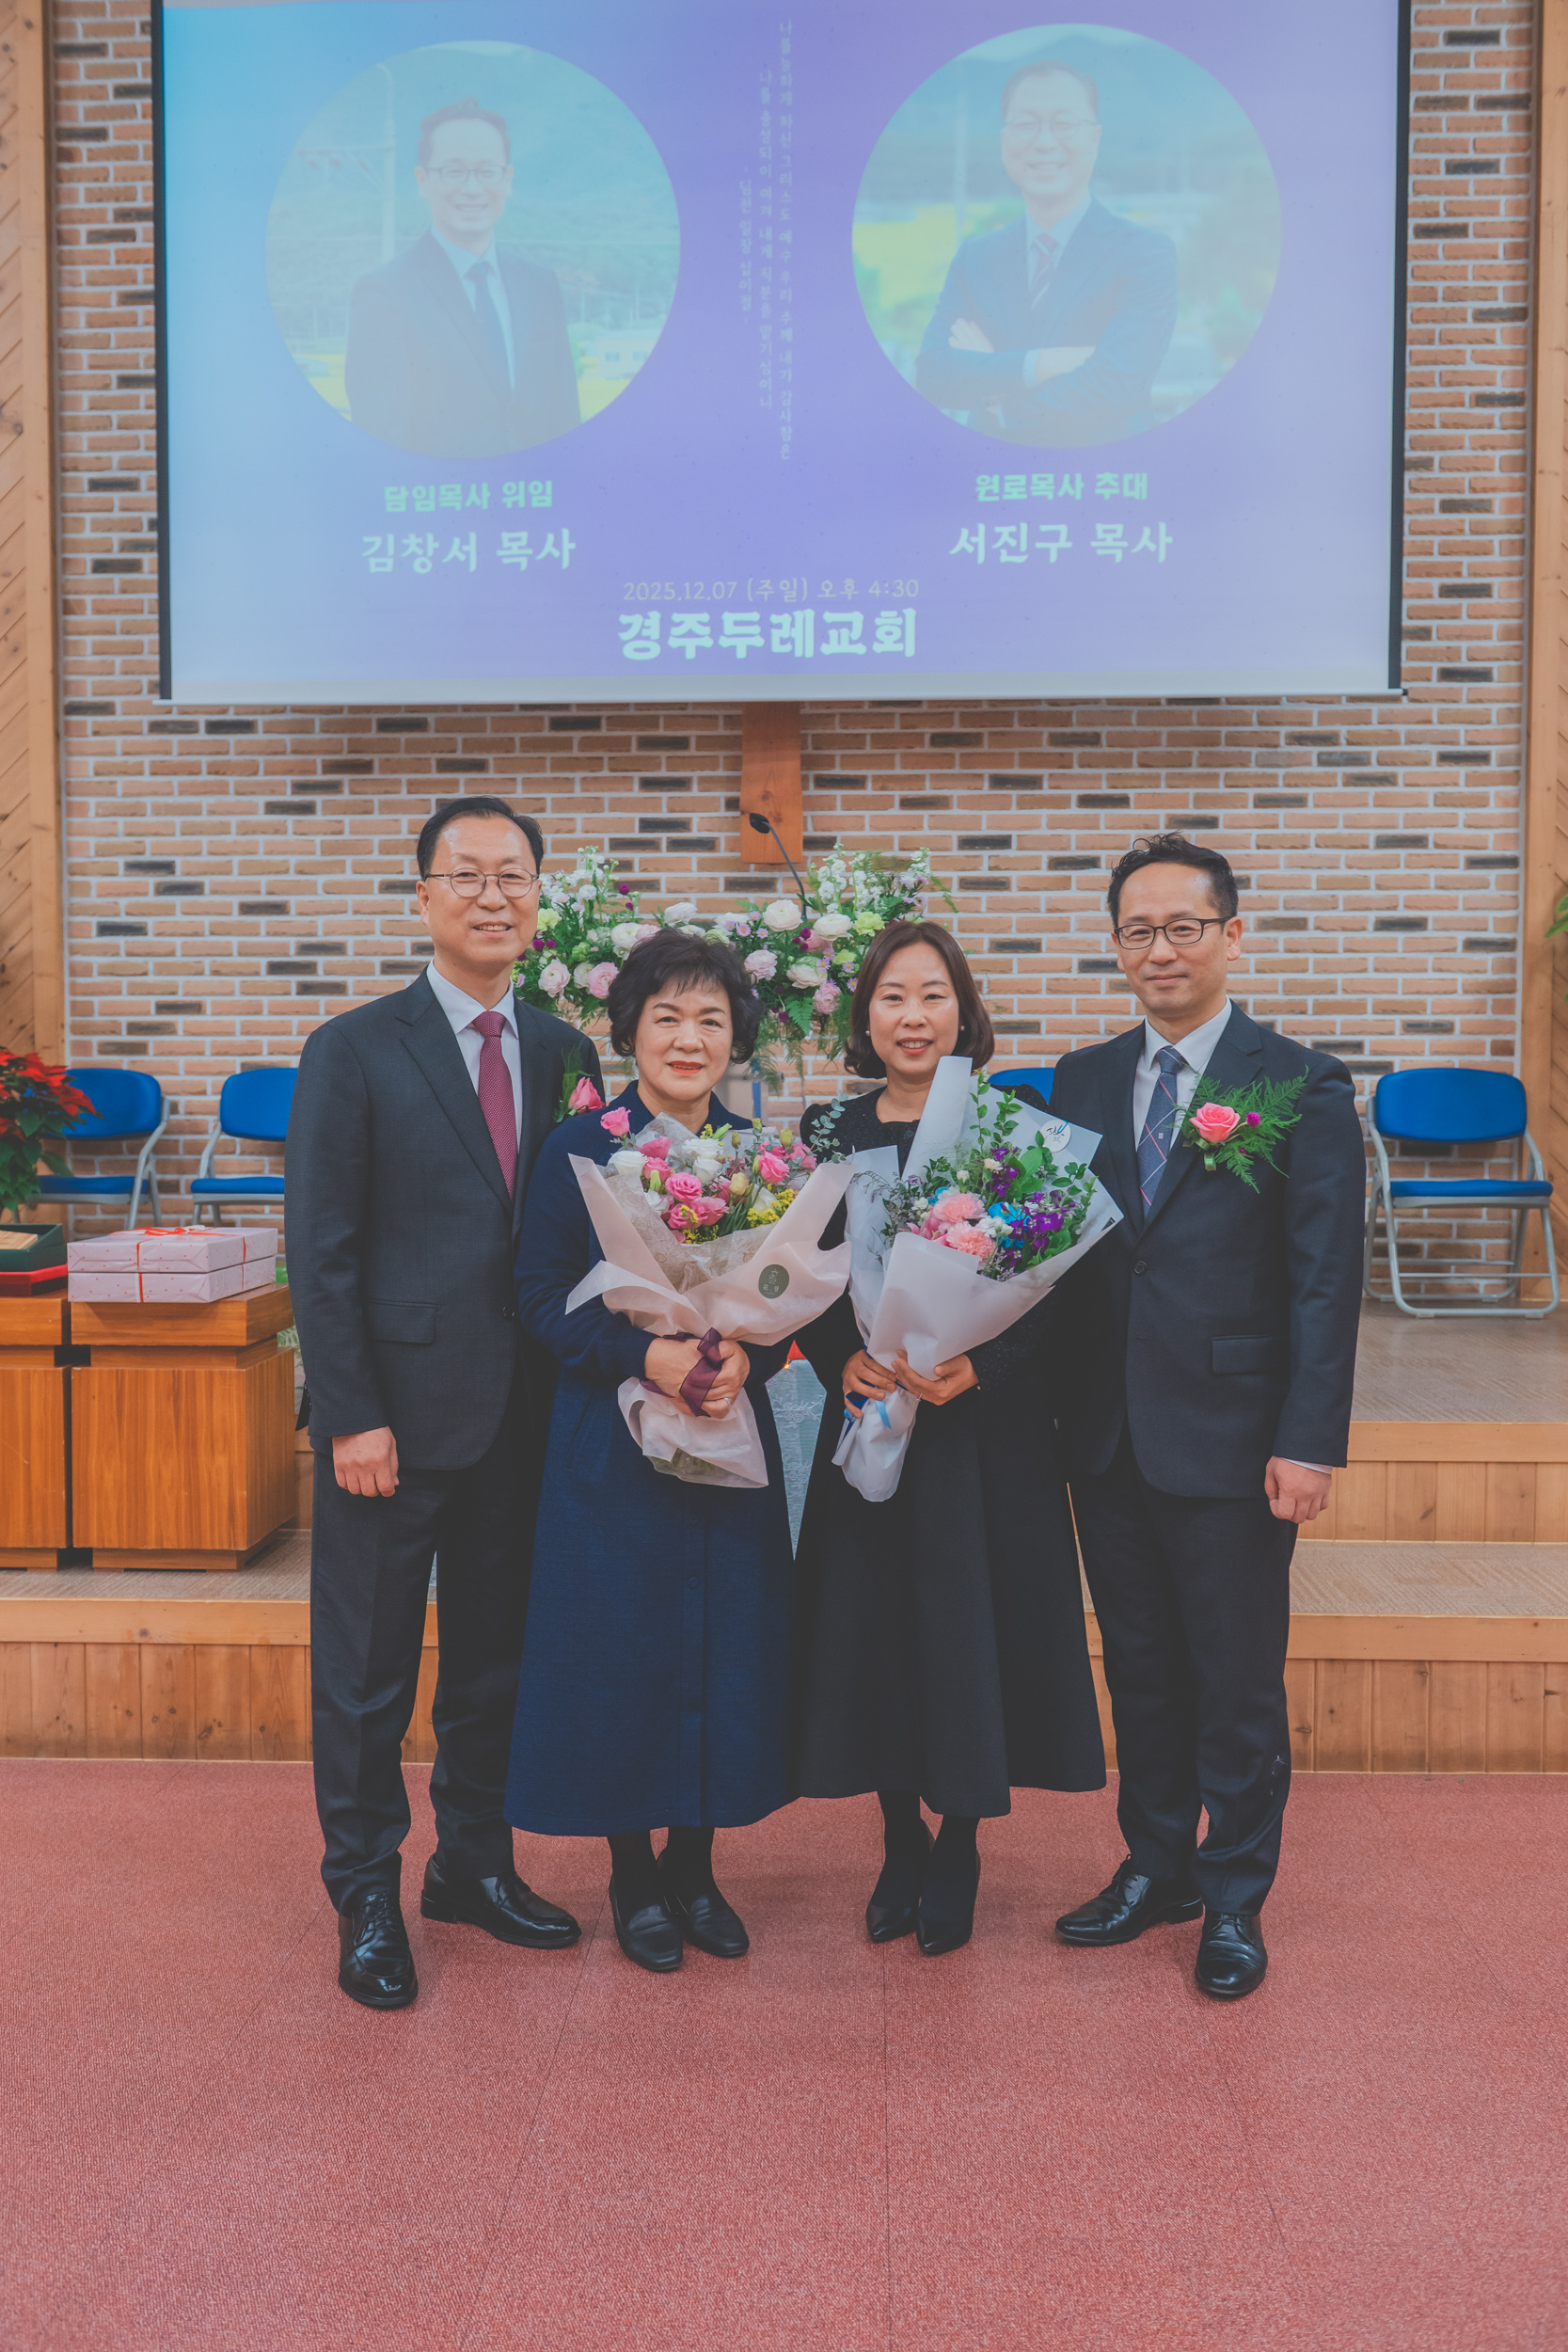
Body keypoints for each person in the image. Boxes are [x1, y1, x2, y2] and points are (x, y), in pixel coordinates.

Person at [285, 794, 599, 2010]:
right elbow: (321, 1251)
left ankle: (472, 1862)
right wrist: (349, 1412)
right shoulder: (355, 1050)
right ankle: (365, 1888)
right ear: (423, 896)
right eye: (465, 875)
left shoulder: (566, 1052)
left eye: (512, 875)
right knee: (365, 1672)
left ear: (538, 898)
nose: (491, 896)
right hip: (393, 1423)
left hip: (524, 1416)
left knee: (492, 1660)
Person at [1048, 835, 1365, 2000]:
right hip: (1105, 1432)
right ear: (1115, 945)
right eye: (1137, 931)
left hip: (1233, 1436)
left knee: (1232, 1679)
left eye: (1182, 927)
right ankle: (1155, 1866)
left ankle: (1233, 1896)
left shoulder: (1298, 1083)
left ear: (1230, 934)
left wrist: (1308, 1438)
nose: (1160, 950)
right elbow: (1060, 1259)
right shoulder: (1080, 1081)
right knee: (1137, 1666)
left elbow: (1325, 1280)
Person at [792, 922, 1106, 1958]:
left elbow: (1059, 1284)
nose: (912, 1016)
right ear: (864, 1017)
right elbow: (796, 1267)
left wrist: (986, 1363)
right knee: (875, 1624)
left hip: (981, 1426)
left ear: (963, 1012)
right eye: (890, 996)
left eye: (932, 995)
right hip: (874, 1415)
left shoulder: (1010, 1127)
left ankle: (961, 1840)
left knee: (973, 1626)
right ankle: (898, 1837)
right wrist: (839, 1355)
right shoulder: (828, 1131)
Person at [507, 931, 796, 1975]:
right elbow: (539, 1296)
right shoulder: (577, 1149)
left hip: (724, 1429)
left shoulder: (767, 1160)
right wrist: (646, 1356)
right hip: (608, 1438)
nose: (688, 1037)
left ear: (736, 1039)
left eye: (711, 1019)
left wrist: (748, 1358)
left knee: (722, 1640)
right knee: (618, 1649)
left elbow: (785, 1300)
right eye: (666, 1016)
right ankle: (632, 1872)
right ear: (628, 1029)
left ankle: (697, 1866)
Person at [914, 59, 1177, 446]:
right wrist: (1043, 363)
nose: (1044, 142)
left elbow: (1117, 385)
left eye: (1064, 124)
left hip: (1104, 471)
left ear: (1094, 139)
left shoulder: (1144, 252)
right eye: (1026, 125)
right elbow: (933, 375)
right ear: (1005, 142)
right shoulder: (976, 258)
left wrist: (999, 399)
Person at [345, 98, 580, 459]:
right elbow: (383, 437)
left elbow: (564, 418)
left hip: (535, 492)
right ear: (422, 181)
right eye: (453, 171)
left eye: (487, 171)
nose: (472, 188)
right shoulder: (384, 293)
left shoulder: (540, 286)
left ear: (508, 180)